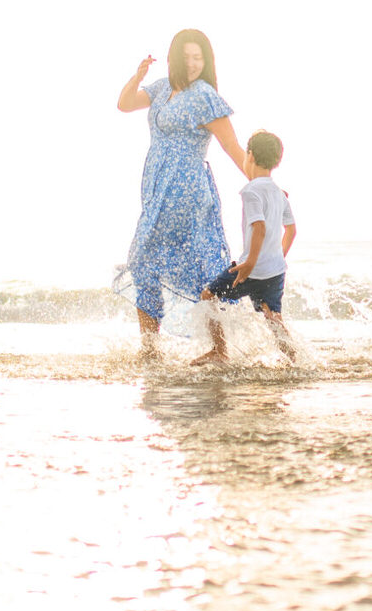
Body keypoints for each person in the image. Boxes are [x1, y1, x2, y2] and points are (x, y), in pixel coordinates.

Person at [114, 29, 249, 344]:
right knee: (147, 263)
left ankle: (215, 347)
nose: (192, 64)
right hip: (156, 190)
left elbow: (232, 146)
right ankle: (155, 346)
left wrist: (261, 182)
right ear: (175, 59)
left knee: (177, 262)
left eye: (198, 58)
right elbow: (124, 104)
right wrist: (138, 75)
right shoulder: (162, 89)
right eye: (186, 57)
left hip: (187, 193)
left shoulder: (204, 96)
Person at [194, 130, 299, 365]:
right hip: (275, 270)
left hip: (251, 269)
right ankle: (291, 355)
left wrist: (250, 263)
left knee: (208, 296)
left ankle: (219, 350)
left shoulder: (251, 191)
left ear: (249, 156)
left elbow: (259, 228)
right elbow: (291, 230)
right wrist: (276, 257)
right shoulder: (279, 193)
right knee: (272, 316)